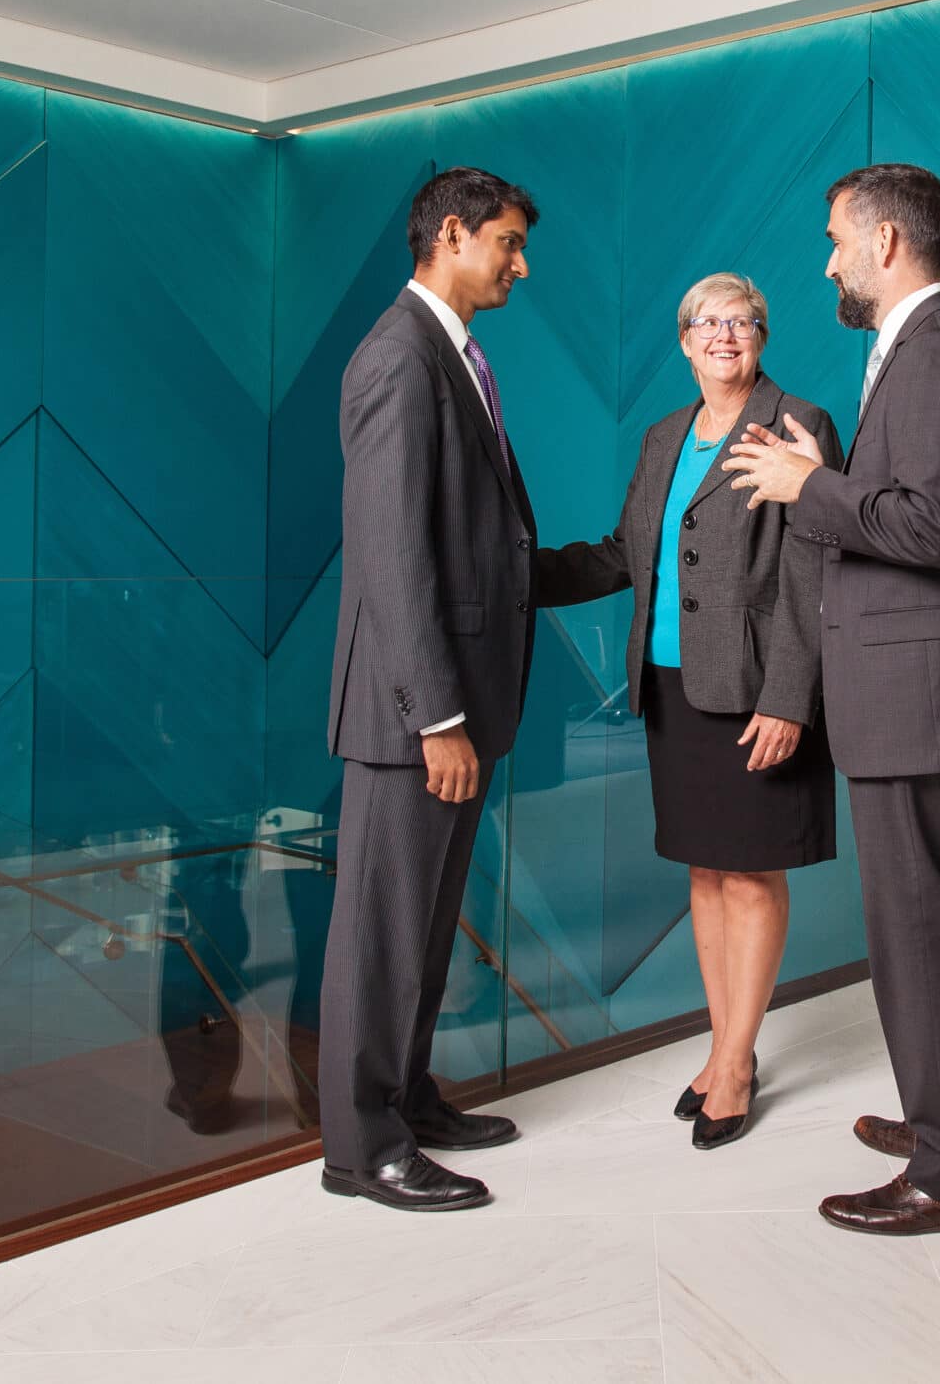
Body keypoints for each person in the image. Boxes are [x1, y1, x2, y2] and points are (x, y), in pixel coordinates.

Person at [723, 162, 940, 1237]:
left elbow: (931, 529)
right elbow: (901, 503)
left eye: (836, 240)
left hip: (919, 689)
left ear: (887, 244)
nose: (828, 261)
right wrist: (829, 473)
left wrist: (807, 488)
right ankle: (939, 1118)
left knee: (916, 929)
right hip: (909, 683)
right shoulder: (913, 352)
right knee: (910, 926)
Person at [534, 274, 842, 1149]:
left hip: (754, 695)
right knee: (705, 875)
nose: (723, 335)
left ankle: (739, 1063)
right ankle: (722, 1045)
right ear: (683, 341)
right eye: (706, 323)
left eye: (740, 321)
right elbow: (624, 554)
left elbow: (814, 575)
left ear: (763, 334)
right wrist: (515, 577)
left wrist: (791, 698)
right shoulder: (665, 436)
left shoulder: (798, 424)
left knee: (750, 875)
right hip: (673, 689)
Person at [317, 167, 541, 1213]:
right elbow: (391, 553)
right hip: (416, 715)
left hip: (456, 702)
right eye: (507, 243)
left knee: (426, 920)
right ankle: (362, 1148)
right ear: (451, 235)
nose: (519, 264)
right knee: (382, 930)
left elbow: (480, 544)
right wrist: (435, 718)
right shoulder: (398, 359)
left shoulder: (453, 355)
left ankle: (406, 1096)